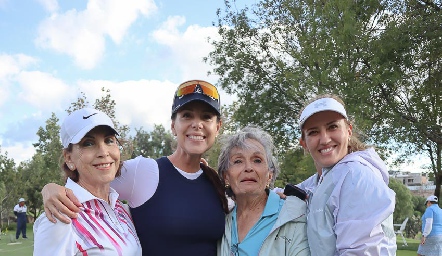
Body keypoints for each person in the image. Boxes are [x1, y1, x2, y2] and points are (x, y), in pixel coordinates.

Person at [41, 80, 229, 256]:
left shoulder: (217, 183)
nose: (197, 124)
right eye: (187, 115)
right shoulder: (144, 172)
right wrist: (50, 189)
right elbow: (89, 180)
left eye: (206, 117)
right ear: (173, 125)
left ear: (218, 127)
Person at [297, 94, 396, 255]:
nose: (325, 139)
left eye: (332, 127)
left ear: (348, 130)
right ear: (304, 143)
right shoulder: (325, 179)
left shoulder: (355, 175)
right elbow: (299, 190)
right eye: (314, 132)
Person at [33, 108, 142, 255]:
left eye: (109, 140)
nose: (104, 152)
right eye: (88, 143)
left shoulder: (121, 209)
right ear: (68, 158)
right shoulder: (61, 219)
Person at [217, 126, 310, 256]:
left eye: (257, 160)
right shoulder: (220, 221)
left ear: (270, 175)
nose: (248, 168)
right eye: (238, 161)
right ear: (226, 176)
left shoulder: (293, 214)